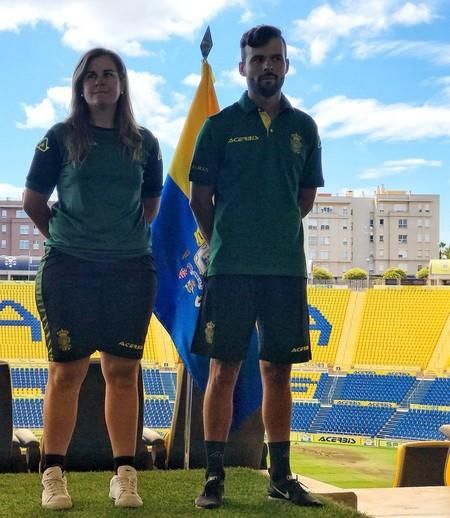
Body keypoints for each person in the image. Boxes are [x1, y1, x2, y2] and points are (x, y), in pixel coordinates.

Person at [188, 25, 324, 508]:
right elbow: (199, 198)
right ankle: (213, 477)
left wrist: (273, 229)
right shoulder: (219, 126)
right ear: (242, 66)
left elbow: (304, 198)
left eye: (275, 59)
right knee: (223, 369)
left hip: (285, 268)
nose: (267, 66)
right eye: (258, 59)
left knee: (278, 372)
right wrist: (229, 236)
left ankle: (280, 475)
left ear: (286, 65)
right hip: (230, 268)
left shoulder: (304, 128)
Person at [23, 47, 163, 510]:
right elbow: (33, 201)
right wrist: (70, 237)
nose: (101, 82)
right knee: (67, 372)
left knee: (123, 373)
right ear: (80, 86)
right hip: (70, 267)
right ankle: (53, 473)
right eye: (92, 75)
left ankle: (124, 474)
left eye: (109, 74)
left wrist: (116, 240)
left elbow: (149, 206)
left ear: (121, 84)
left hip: (129, 268)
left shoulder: (145, 143)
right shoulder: (59, 138)